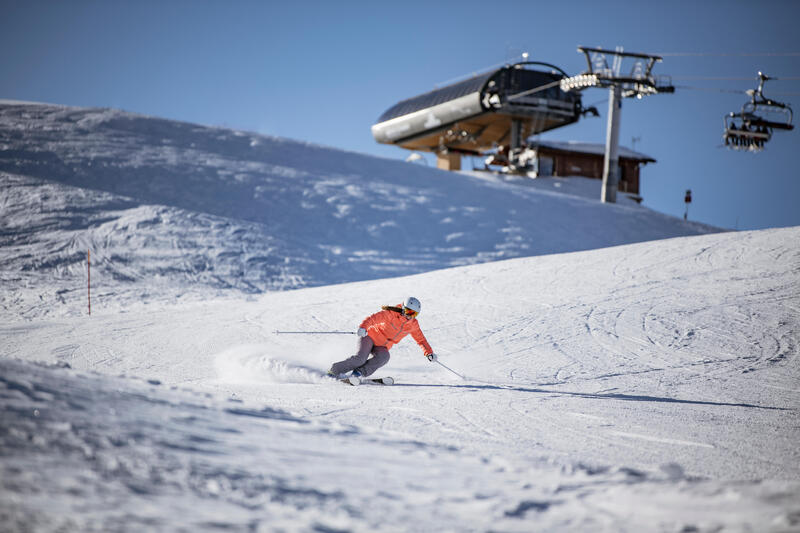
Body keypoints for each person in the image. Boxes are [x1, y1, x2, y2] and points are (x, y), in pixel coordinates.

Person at [328, 296, 437, 380]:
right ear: (404, 309)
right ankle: (334, 370)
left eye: (415, 314)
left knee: (385, 357)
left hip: (382, 346)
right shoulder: (391, 314)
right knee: (360, 359)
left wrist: (429, 352)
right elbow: (372, 319)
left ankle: (358, 373)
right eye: (409, 312)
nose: (410, 316)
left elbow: (421, 340)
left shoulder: (413, 325)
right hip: (370, 337)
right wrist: (363, 327)